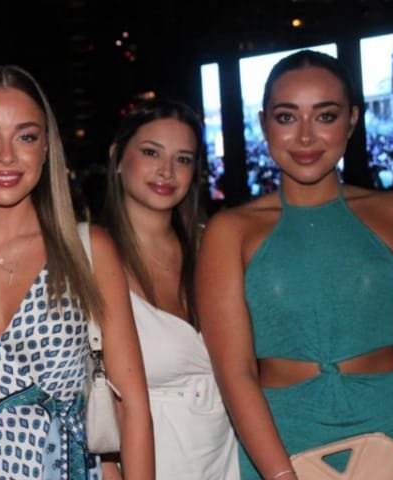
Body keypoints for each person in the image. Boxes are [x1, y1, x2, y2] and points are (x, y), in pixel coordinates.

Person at [196, 50, 393, 480]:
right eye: (286, 117)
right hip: (280, 444)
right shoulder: (230, 231)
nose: (305, 136)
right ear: (263, 123)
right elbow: (234, 373)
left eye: (325, 116)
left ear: (352, 120)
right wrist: (281, 475)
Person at [0, 65, 154, 479]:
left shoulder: (87, 249)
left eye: (25, 137)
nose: (6, 156)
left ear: (46, 148)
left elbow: (131, 405)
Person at [101, 98, 239, 479]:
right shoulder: (90, 256)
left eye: (183, 159)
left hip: (231, 456)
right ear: (117, 157)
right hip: (149, 462)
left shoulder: (214, 247)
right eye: (151, 152)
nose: (167, 171)